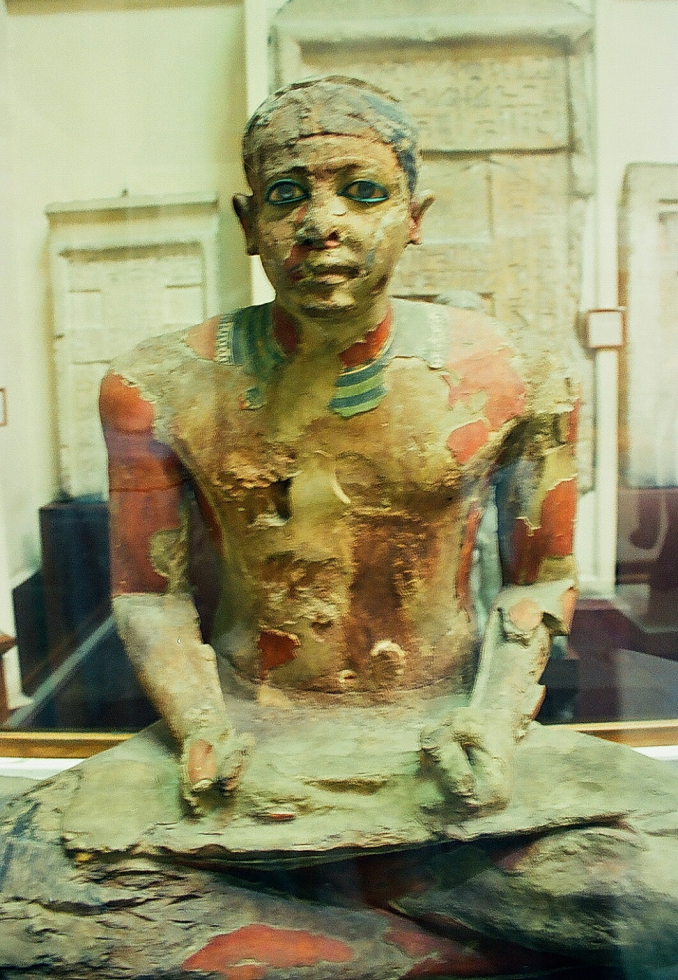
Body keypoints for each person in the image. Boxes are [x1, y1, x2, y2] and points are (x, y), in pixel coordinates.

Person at [99, 77, 678, 971]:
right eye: (288, 194)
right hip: (245, 734)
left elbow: (539, 578)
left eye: (362, 191)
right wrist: (201, 723)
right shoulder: (157, 384)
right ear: (250, 222)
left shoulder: (515, 374)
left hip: (445, 734)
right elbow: (148, 593)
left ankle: (345, 931)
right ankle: (406, 933)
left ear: (414, 216)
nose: (321, 223)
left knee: (648, 901)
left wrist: (493, 721)